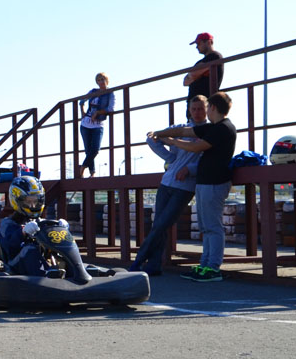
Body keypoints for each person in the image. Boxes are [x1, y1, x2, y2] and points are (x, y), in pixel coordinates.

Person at [154, 92, 237, 282]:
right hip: (205, 182)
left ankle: (213, 267)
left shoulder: (223, 128)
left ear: (212, 108)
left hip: (215, 183)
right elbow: (186, 131)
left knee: (213, 226)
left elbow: (195, 147)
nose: (205, 112)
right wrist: (160, 133)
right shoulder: (213, 127)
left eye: (207, 108)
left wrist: (171, 141)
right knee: (205, 227)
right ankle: (205, 265)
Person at [129, 95, 208, 275]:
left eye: (201, 109)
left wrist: (190, 169)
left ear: (207, 109)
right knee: (159, 225)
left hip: (185, 187)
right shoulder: (179, 128)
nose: (197, 112)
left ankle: (138, 261)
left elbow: (209, 160)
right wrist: (170, 158)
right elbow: (152, 138)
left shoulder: (209, 132)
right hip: (166, 183)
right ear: (189, 110)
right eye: (194, 109)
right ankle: (153, 266)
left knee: (162, 224)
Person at [0, 175, 55, 276]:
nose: (33, 206)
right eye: (28, 201)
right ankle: (46, 275)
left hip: (35, 265)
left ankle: (74, 271)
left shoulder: (39, 221)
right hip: (13, 266)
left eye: (35, 201)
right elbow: (9, 246)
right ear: (17, 200)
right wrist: (22, 232)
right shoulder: (8, 223)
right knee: (30, 249)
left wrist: (60, 228)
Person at [77, 73, 114, 178]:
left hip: (98, 125)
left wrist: (98, 112)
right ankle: (92, 173)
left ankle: (82, 167)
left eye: (103, 79)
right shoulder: (93, 91)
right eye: (99, 80)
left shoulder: (110, 93)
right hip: (85, 125)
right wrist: (82, 113)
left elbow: (111, 108)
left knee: (95, 149)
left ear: (107, 80)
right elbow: (81, 101)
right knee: (88, 150)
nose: (101, 82)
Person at [183, 33, 224, 114]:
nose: (197, 47)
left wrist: (195, 75)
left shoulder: (215, 56)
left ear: (209, 42)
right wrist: (196, 74)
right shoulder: (200, 62)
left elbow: (193, 74)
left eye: (199, 43)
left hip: (205, 105)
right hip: (193, 107)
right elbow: (185, 81)